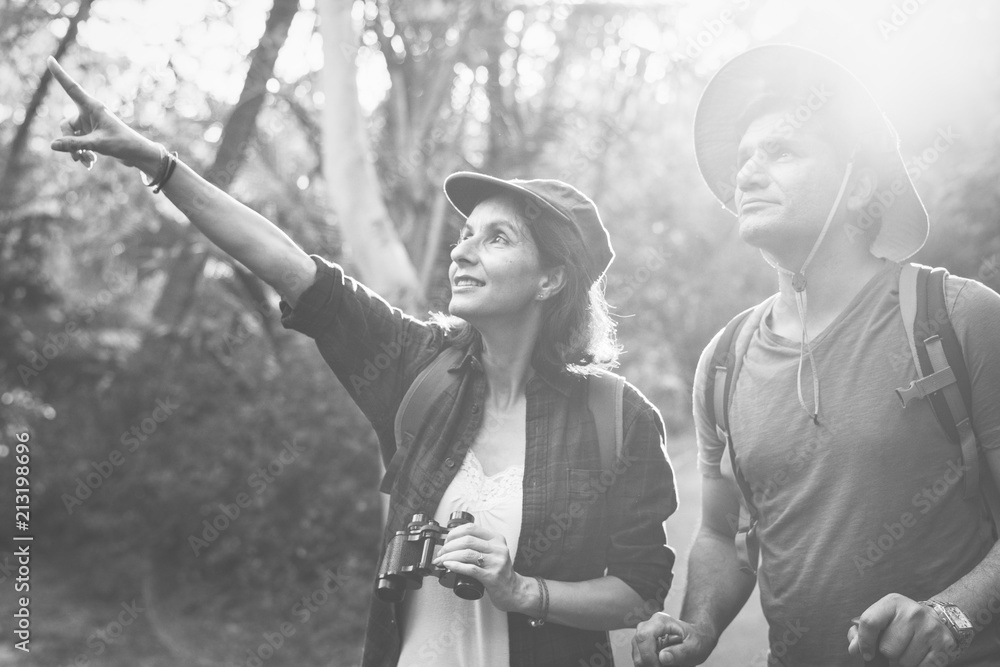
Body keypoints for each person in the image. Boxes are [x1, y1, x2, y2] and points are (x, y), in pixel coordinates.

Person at [45, 57, 678, 666]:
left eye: (498, 238)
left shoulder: (616, 418)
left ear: (550, 281)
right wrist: (156, 160)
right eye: (465, 234)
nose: (463, 252)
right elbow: (289, 266)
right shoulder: (414, 367)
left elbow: (639, 592)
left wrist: (523, 591)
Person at [632, 45, 1000, 666]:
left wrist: (951, 615)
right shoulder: (722, 363)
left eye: (780, 152)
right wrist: (699, 627)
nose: (745, 173)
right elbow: (724, 534)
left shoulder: (960, 318)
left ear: (857, 187)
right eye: (744, 158)